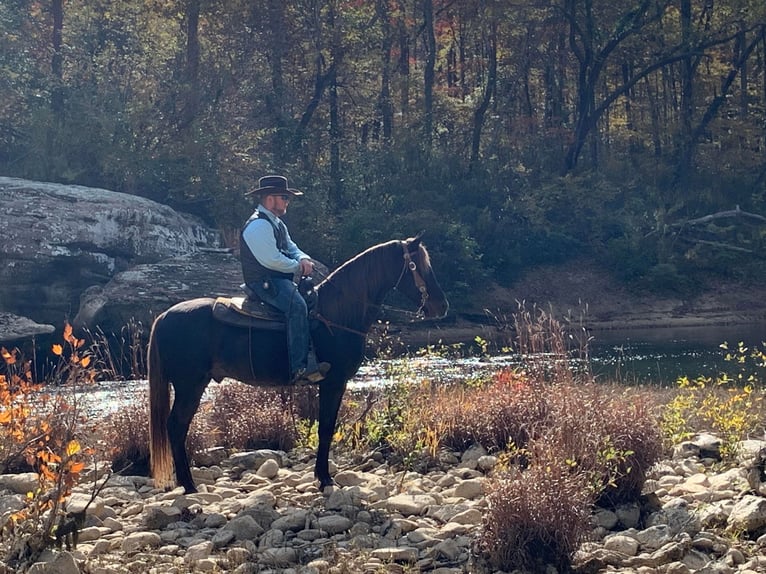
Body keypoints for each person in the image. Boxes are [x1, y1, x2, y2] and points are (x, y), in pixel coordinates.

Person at [240, 175, 330, 384]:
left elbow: (291, 247)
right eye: (284, 197)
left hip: (277, 280)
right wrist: (298, 266)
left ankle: (312, 356)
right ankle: (298, 368)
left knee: (312, 299)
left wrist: (303, 257)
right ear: (270, 199)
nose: (287, 201)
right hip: (264, 282)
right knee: (296, 306)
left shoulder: (277, 223)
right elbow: (272, 260)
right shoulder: (258, 227)